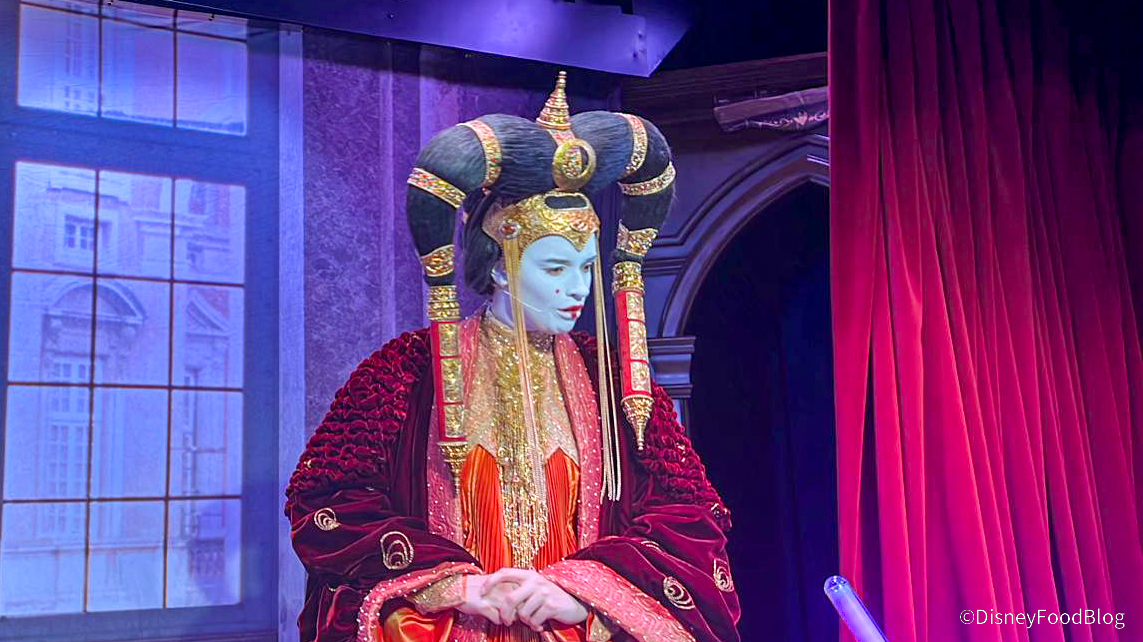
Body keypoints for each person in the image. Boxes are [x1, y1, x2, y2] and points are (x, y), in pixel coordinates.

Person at [285, 72, 740, 642]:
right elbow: (326, 503)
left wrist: (583, 588)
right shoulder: (404, 371)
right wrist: (457, 586)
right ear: (500, 266)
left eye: (586, 267)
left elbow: (689, 515)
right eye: (554, 267)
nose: (577, 288)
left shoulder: (613, 377)